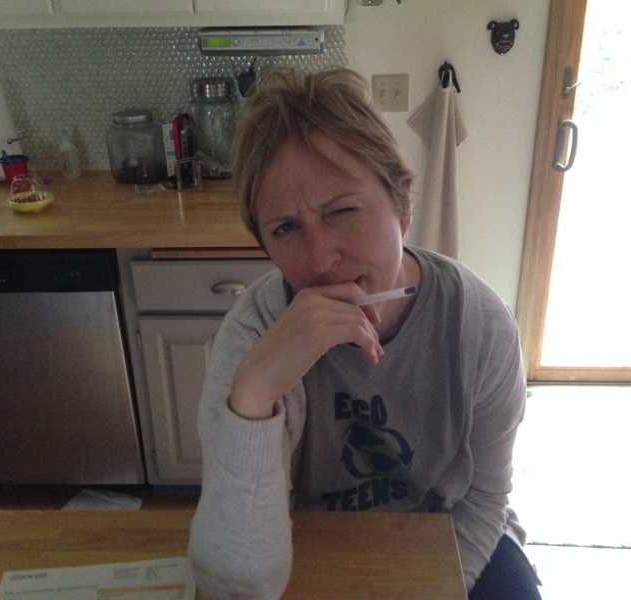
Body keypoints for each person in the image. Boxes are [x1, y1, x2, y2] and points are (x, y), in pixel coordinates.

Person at [188, 67, 541, 600]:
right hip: (303, 535)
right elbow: (237, 582)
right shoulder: (254, 333)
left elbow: (485, 498)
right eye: (286, 228)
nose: (319, 259)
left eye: (343, 212)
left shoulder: (480, 326)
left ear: (402, 204)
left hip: (448, 531)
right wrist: (255, 393)